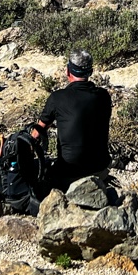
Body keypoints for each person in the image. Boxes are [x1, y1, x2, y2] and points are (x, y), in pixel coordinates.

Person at [29, 49, 112, 192]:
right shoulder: (104, 96)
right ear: (90, 72)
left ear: (68, 71)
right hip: (100, 167)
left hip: (70, 172)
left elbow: (37, 133)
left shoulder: (58, 98)